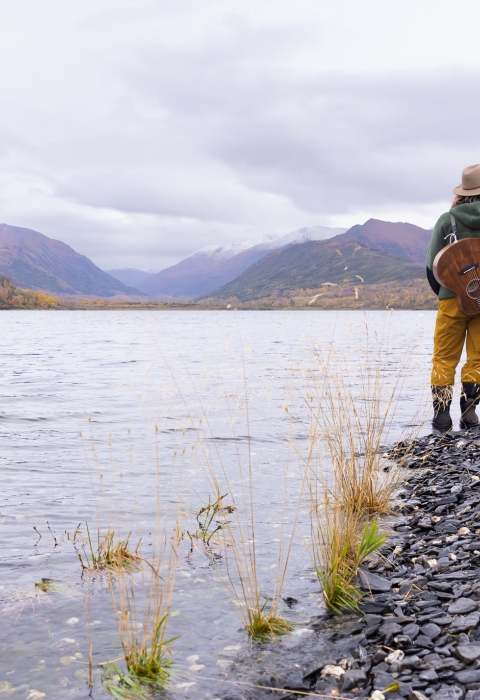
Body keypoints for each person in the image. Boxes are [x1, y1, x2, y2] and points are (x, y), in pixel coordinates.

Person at [426, 164, 480, 432]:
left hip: (451, 299)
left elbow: (431, 266)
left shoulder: (447, 220)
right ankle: (469, 414)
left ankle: (442, 418)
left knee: (444, 357)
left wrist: (447, 294)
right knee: (478, 358)